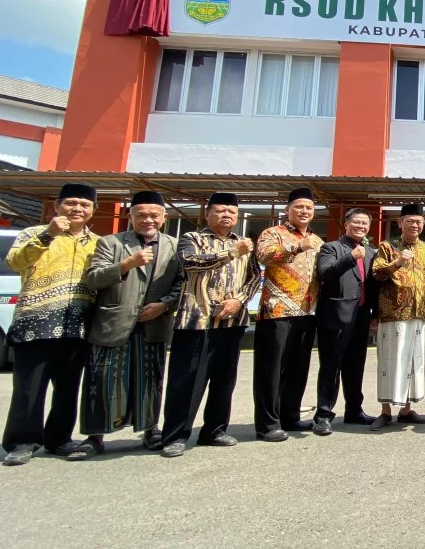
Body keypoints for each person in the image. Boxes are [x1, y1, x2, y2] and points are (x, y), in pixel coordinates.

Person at [72, 191, 184, 460]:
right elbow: (93, 278)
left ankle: (149, 429)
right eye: (141, 215)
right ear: (130, 215)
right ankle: (94, 436)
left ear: (164, 217)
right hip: (114, 321)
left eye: (154, 215)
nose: (148, 220)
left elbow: (183, 283)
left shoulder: (174, 245)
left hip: (153, 323)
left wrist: (165, 304)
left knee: (150, 379)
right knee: (102, 379)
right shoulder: (110, 243)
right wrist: (127, 264)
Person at [1, 183, 99, 466]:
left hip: (78, 325)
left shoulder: (98, 242)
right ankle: (22, 441)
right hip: (35, 324)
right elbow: (15, 262)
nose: (77, 209)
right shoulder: (32, 234)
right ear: (57, 206)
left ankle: (59, 438)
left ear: (93, 210)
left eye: (84, 205)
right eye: (71, 203)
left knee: (68, 387)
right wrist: (49, 234)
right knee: (28, 388)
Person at [160, 193, 261, 458]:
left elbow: (254, 277)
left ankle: (215, 430)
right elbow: (190, 264)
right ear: (208, 214)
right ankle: (176, 435)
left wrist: (239, 301)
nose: (226, 215)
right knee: (188, 380)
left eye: (231, 212)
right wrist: (230, 253)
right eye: (220, 211)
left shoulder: (243, 243)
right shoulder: (193, 239)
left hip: (232, 320)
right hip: (196, 320)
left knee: (224, 379)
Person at [253, 187, 324, 442]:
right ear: (288, 210)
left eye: (308, 208)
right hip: (277, 311)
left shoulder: (317, 241)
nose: (304, 211)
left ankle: (290, 416)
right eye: (299, 207)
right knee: (271, 370)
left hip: (307, 311)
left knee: (298, 368)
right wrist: (296, 246)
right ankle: (267, 424)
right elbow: (263, 256)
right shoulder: (273, 233)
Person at [369, 203, 425, 430]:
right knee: (390, 363)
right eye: (410, 221)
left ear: (423, 224)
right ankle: (386, 411)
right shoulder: (388, 246)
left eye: (418, 221)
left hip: (419, 315)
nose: (415, 225)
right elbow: (377, 274)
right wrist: (398, 262)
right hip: (393, 315)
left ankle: (406, 410)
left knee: (413, 362)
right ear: (400, 223)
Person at [312, 208, 380, 437]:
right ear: (346, 224)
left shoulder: (370, 252)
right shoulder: (331, 247)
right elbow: (325, 273)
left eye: (365, 223)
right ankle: (323, 414)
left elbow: (373, 286)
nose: (361, 227)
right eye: (357, 222)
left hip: (360, 316)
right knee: (331, 367)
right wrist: (350, 258)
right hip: (335, 317)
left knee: (355, 366)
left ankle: (354, 409)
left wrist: (376, 315)